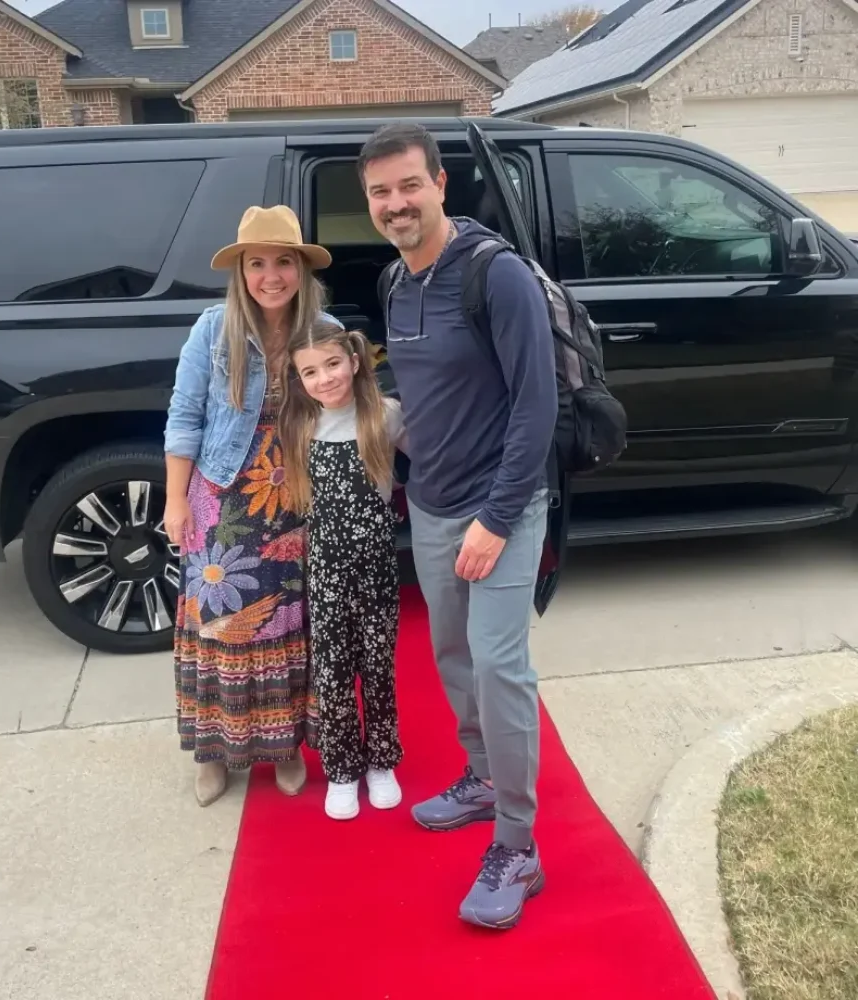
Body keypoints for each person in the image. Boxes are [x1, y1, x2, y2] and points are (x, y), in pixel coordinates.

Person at [358, 123, 558, 929]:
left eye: (409, 185)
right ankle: (481, 776)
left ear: (440, 184)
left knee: (499, 664)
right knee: (451, 655)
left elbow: (534, 405)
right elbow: (429, 402)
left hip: (502, 511)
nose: (396, 204)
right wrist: (362, 419)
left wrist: (497, 520)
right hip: (433, 506)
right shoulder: (394, 285)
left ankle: (519, 844)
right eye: (380, 192)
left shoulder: (494, 276)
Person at [163, 205, 340, 807]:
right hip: (219, 497)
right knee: (218, 627)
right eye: (257, 263)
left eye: (283, 262)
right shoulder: (213, 329)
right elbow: (184, 417)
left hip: (293, 497)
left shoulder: (323, 330)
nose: (271, 275)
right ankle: (213, 753)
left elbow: (345, 415)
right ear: (240, 271)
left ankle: (283, 746)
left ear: (300, 270)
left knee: (287, 622)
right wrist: (175, 502)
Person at [279, 320, 406, 821]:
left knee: (377, 665)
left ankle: (381, 760)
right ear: (299, 380)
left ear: (355, 362)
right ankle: (342, 768)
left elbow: (439, 456)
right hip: (325, 568)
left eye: (332, 364)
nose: (324, 378)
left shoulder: (385, 416)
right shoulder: (299, 427)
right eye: (310, 371)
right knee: (331, 670)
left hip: (375, 563)